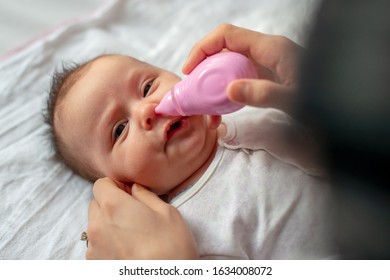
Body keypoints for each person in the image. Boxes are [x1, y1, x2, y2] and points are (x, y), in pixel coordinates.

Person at [45, 51, 337, 259]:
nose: (147, 110)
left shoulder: (255, 115)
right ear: (122, 189)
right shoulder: (180, 229)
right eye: (119, 130)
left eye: (148, 87)